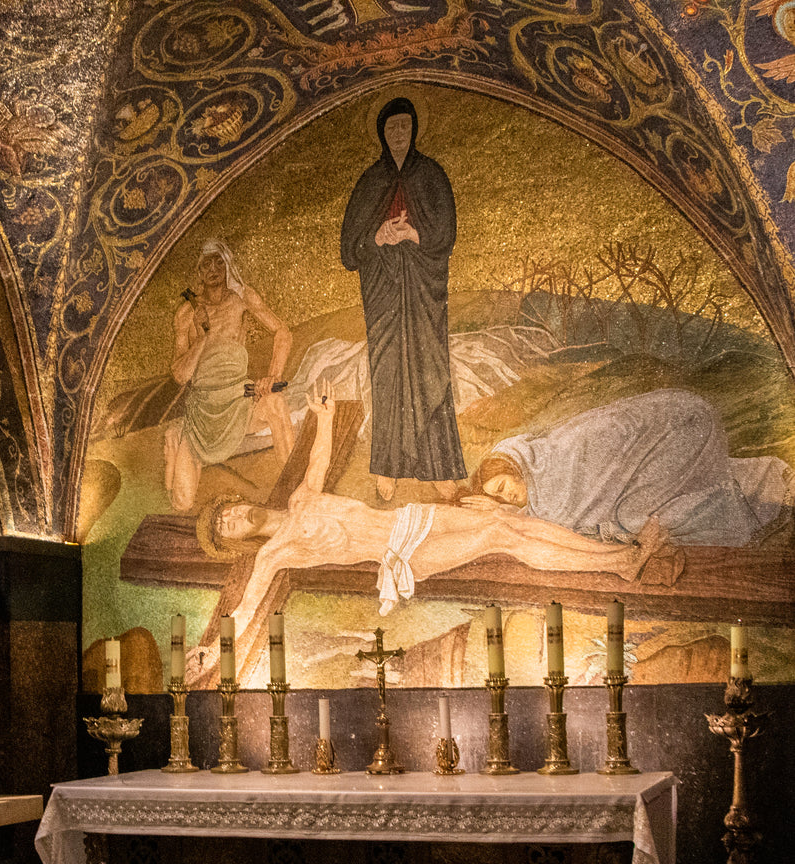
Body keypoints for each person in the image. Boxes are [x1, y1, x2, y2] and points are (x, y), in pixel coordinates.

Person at [194, 388, 676, 681]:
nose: (233, 519)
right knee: (501, 536)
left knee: (507, 523)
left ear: (238, 502)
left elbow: (319, 455)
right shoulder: (273, 555)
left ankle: (620, 557)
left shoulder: (301, 498)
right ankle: (617, 562)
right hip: (400, 554)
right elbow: (244, 607)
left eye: (228, 511)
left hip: (410, 520)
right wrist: (212, 649)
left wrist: (321, 416)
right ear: (234, 541)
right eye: (226, 528)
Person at [464, 388, 790, 547]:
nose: (511, 499)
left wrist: (510, 516)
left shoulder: (552, 463)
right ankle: (756, 487)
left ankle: (741, 515)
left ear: (516, 469)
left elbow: (567, 517)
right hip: (663, 439)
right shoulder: (539, 484)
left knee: (638, 520)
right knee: (637, 517)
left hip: (684, 426)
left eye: (505, 488)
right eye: (502, 500)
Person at [340, 97, 465, 502]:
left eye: (404, 126)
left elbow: (445, 232)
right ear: (381, 132)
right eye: (391, 127)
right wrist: (377, 237)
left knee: (430, 367)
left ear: (414, 130)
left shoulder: (431, 175)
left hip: (423, 289)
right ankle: (389, 467)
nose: (398, 133)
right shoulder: (369, 181)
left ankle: (440, 468)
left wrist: (415, 235)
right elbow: (348, 250)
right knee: (388, 372)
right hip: (383, 291)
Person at [163, 238, 295, 511]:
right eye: (205, 264)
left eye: (218, 262)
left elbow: (283, 333)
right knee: (182, 503)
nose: (213, 269)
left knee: (275, 403)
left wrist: (273, 375)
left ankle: (294, 493)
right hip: (203, 409)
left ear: (226, 266)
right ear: (198, 273)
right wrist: (202, 336)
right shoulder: (186, 314)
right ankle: (179, 433)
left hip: (240, 394)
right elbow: (179, 375)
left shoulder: (243, 299)